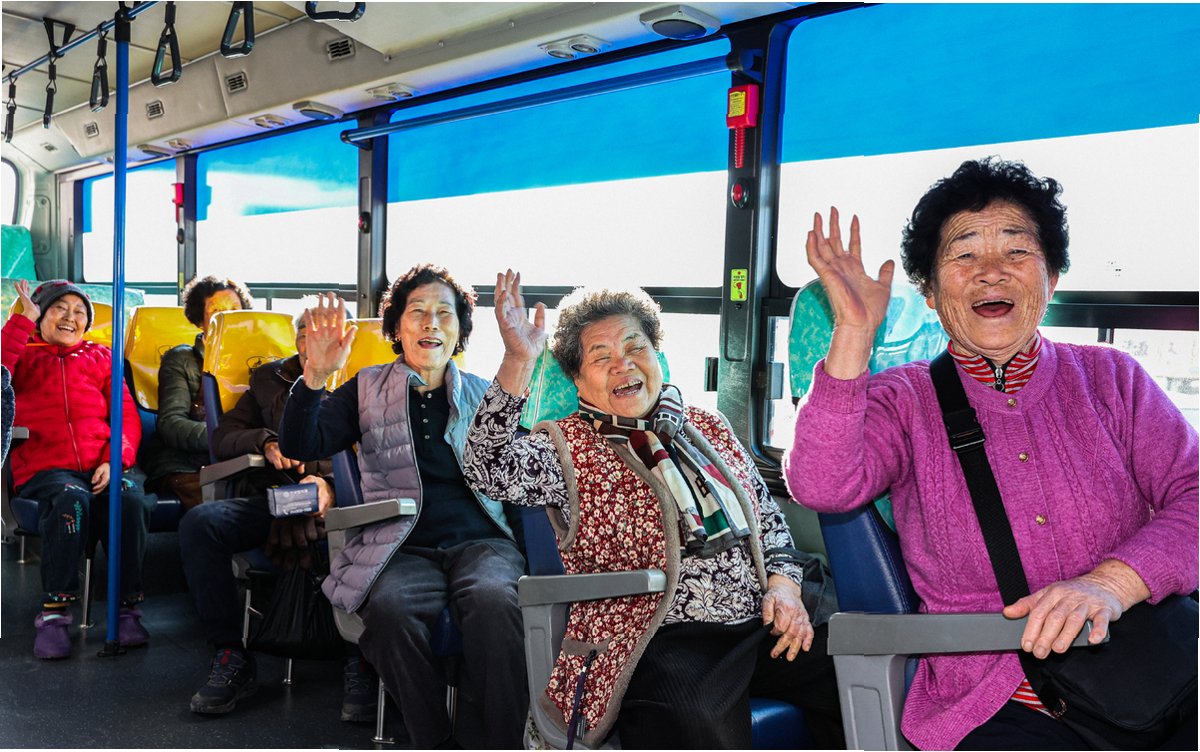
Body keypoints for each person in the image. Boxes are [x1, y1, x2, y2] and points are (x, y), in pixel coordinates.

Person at [784, 158, 1198, 750]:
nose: (991, 273)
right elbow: (821, 484)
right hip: (997, 695)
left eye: (1017, 251)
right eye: (964, 255)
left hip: (1153, 666)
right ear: (930, 292)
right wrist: (853, 331)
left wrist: (1111, 584)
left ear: (1052, 277)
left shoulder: (1114, 378)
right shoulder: (904, 399)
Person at [462, 272, 844, 749]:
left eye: (634, 347)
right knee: (694, 720)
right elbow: (486, 469)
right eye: (601, 357)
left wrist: (785, 588)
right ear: (578, 379)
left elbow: (768, 522)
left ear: (656, 354)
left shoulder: (707, 425)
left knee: (856, 669)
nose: (622, 365)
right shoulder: (564, 447)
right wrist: (518, 361)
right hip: (660, 633)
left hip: (757, 622)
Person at [277, 264, 528, 748]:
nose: (431, 322)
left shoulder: (486, 394)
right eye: (418, 312)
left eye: (444, 313)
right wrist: (315, 377)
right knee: (390, 610)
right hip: (401, 546)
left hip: (482, 542)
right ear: (396, 327)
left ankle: (502, 742)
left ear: (459, 331)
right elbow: (301, 443)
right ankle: (429, 737)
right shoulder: (365, 389)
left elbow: (516, 477)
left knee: (496, 601)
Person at [180, 304, 376, 721]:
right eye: (307, 331)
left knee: (359, 539)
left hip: (349, 503)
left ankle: (360, 659)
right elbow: (224, 437)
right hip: (278, 497)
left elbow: (387, 456)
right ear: (296, 338)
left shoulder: (371, 382)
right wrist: (267, 441)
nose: (317, 338)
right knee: (201, 524)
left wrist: (332, 485)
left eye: (330, 330)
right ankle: (230, 652)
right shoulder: (271, 379)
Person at [1, 279, 152, 659]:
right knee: (71, 501)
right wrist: (21, 321)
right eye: (60, 309)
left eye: (80, 312)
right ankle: (54, 613)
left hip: (101, 464)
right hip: (46, 467)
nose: (71, 317)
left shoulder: (101, 357)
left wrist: (114, 460)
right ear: (41, 315)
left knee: (130, 499)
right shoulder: (23, 353)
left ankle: (127, 607)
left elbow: (125, 417)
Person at [142, 275, 253, 511]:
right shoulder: (181, 359)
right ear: (199, 320)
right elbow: (171, 423)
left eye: (235, 310)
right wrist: (227, 439)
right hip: (185, 463)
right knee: (219, 506)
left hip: (242, 459)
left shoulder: (255, 361)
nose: (227, 318)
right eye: (217, 311)